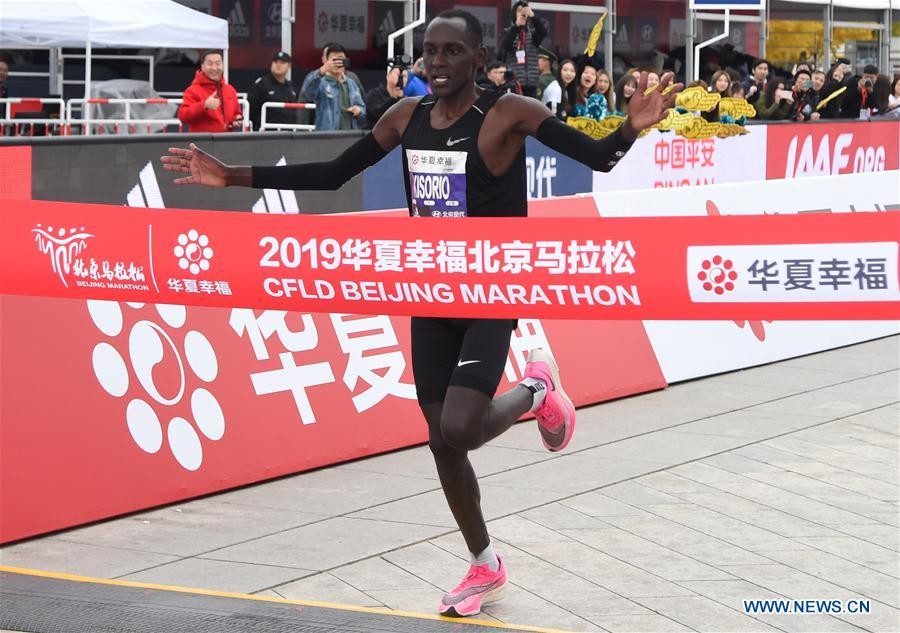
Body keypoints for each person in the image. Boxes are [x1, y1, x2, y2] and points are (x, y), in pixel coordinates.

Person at [162, 8, 680, 618]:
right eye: (429, 51)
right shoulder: (405, 116)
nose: (436, 62)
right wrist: (232, 178)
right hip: (431, 294)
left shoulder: (508, 114)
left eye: (451, 51)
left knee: (461, 427)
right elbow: (334, 173)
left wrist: (629, 129)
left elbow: (598, 157)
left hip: (492, 292)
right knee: (442, 442)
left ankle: (537, 390)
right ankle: (484, 563)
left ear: (478, 59)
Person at [301, 43, 366, 131]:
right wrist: (322, 70)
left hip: (350, 134)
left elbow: (362, 108)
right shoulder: (320, 83)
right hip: (327, 135)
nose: (338, 63)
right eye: (334, 60)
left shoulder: (351, 83)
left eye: (341, 59)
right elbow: (307, 94)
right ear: (326, 61)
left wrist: (359, 110)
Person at [177, 50, 242, 133]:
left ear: (223, 65)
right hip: (203, 140)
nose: (214, 68)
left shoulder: (230, 90)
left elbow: (237, 114)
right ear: (202, 67)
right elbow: (183, 116)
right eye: (210, 63)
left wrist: (237, 120)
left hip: (226, 139)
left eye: (218, 63)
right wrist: (203, 105)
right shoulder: (192, 90)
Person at [499, 1, 548, 98]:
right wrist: (516, 26)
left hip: (532, 84)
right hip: (514, 84)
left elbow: (543, 32)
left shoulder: (532, 34)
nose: (522, 14)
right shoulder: (507, 32)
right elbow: (506, 45)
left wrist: (533, 16)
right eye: (519, 11)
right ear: (514, 14)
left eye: (525, 11)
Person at [248, 51, 300, 131]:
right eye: (275, 62)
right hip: (267, 133)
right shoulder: (261, 84)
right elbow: (251, 110)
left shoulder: (292, 87)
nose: (278, 65)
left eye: (282, 62)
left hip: (289, 133)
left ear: (289, 66)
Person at [365, 63, 408, 128]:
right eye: (398, 75)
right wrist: (393, 99)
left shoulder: (406, 100)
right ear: (388, 76)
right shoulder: (374, 94)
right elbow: (377, 114)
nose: (400, 79)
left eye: (404, 76)